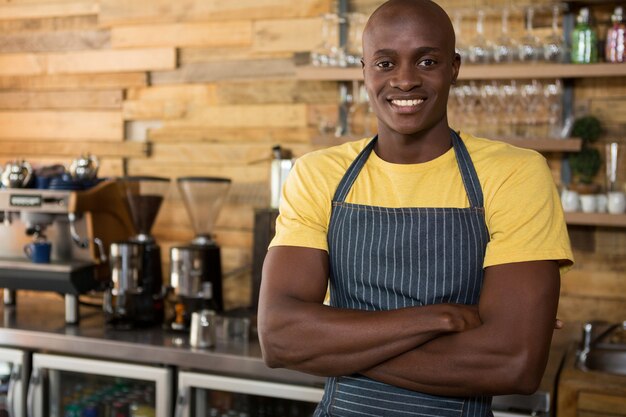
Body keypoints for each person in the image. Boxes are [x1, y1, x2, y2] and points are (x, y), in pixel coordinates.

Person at [257, 0, 574, 415]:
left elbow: (514, 363)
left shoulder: (515, 174)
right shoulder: (318, 174)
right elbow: (279, 339)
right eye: (385, 63)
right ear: (364, 71)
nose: (404, 81)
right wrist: (441, 319)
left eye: (426, 61)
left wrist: (333, 346)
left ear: (454, 68)